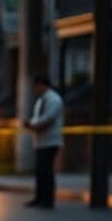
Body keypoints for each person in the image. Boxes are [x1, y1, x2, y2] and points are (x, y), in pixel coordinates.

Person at [24, 74, 64, 210]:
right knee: (40, 171)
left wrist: (33, 125)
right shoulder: (41, 100)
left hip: (51, 140)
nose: (35, 89)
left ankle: (48, 199)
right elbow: (38, 118)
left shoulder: (54, 100)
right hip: (40, 141)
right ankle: (39, 197)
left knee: (47, 171)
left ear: (42, 84)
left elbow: (48, 118)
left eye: (36, 86)